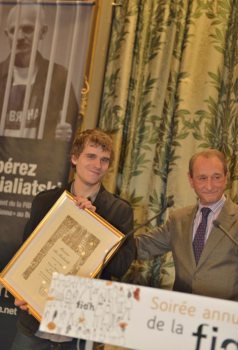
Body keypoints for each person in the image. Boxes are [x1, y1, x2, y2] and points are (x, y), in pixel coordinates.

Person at [11, 128, 135, 350]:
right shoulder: (45, 201)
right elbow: (26, 256)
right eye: (91, 156)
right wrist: (20, 292)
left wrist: (95, 224)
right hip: (34, 321)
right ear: (75, 158)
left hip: (81, 327)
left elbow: (121, 266)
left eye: (104, 160)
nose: (98, 165)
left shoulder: (120, 211)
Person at [137, 149, 238, 301]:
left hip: (225, 318)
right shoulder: (178, 219)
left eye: (217, 177)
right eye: (202, 178)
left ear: (226, 178)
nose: (210, 185)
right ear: (191, 180)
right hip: (183, 313)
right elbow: (142, 246)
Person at [0, 4, 78, 140]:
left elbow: (76, 129)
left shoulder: (59, 76)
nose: (19, 37)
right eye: (13, 30)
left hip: (41, 160)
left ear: (42, 32)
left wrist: (65, 139)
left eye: (27, 29)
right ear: (7, 35)